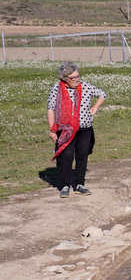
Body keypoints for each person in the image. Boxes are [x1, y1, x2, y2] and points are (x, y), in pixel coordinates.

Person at [47, 62, 106, 198]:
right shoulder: (57, 89)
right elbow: (51, 108)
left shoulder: (85, 86)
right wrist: (52, 130)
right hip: (66, 130)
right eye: (73, 78)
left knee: (82, 156)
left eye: (78, 76)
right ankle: (65, 185)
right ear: (64, 78)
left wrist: (94, 109)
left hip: (84, 129)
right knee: (66, 157)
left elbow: (102, 94)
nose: (77, 80)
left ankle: (80, 184)